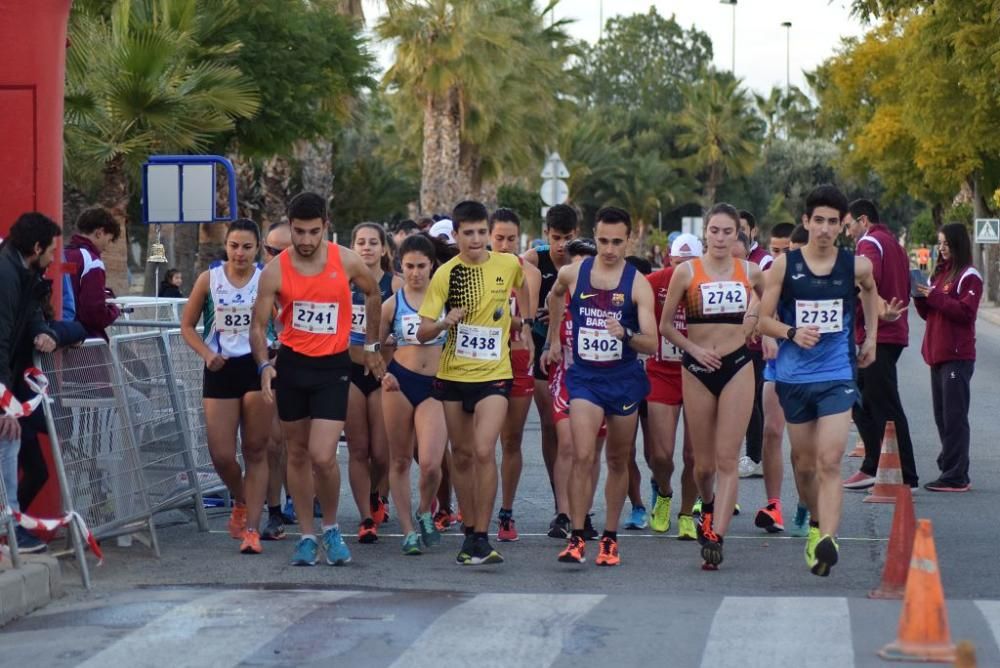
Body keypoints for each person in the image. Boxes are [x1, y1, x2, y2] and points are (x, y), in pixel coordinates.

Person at [251, 192, 385, 567]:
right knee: (296, 453)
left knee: (323, 456)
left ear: (326, 226)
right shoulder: (276, 270)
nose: (306, 240)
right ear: (289, 228)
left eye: (313, 232)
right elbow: (258, 326)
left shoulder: (345, 260)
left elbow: (373, 293)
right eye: (299, 232)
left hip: (332, 367)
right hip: (292, 366)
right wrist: (264, 365)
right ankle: (307, 536)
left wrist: (372, 345)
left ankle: (330, 527)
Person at [758, 185, 880, 577]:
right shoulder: (784, 266)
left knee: (830, 460)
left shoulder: (855, 265)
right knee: (804, 464)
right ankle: (814, 525)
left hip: (837, 375)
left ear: (843, 226)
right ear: (807, 222)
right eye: (819, 221)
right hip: (794, 378)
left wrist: (872, 337)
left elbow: (871, 292)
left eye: (833, 222)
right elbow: (762, 320)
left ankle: (828, 537)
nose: (825, 229)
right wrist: (791, 333)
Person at [416, 200, 530, 566]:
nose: (477, 239)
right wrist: (444, 322)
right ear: (458, 235)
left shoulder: (508, 263)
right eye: (470, 233)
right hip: (452, 375)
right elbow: (421, 332)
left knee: (484, 450)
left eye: (483, 232)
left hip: (494, 374)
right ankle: (469, 533)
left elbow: (525, 284)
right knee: (462, 457)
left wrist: (522, 322)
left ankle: (482, 534)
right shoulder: (446, 274)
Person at [547, 207, 657, 567]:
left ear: (629, 241)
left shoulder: (637, 283)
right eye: (603, 241)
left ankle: (609, 539)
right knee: (582, 455)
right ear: (594, 237)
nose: (609, 249)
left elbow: (651, 342)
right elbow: (555, 296)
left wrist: (625, 333)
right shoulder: (574, 272)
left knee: (617, 459)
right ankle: (577, 537)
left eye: (617, 242)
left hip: (623, 381)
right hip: (586, 379)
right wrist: (553, 341)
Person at [659, 203, 765, 570]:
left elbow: (773, 303)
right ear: (705, 233)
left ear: (740, 236)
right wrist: (693, 350)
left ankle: (717, 536)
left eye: (728, 232)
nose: (720, 238)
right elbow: (666, 326)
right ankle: (707, 506)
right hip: (697, 368)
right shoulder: (687, 272)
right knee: (702, 466)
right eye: (715, 231)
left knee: (726, 460)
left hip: (737, 366)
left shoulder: (751, 272)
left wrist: (761, 322)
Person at [180, 219, 273, 554]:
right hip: (220, 367)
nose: (240, 253)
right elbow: (187, 326)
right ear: (227, 246)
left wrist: (272, 359)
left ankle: (252, 528)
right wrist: (206, 354)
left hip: (256, 366)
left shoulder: (266, 280)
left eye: (247, 246)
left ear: (258, 249)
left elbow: (284, 318)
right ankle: (242, 498)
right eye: (234, 245)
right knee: (220, 454)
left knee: (255, 449)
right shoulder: (210, 278)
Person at [842, 199, 917, 490]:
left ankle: (905, 475)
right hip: (889, 332)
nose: (847, 233)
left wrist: (882, 308)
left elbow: (865, 281)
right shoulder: (894, 244)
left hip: (880, 334)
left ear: (863, 221)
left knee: (884, 404)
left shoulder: (869, 243)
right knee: (860, 398)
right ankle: (872, 463)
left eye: (848, 226)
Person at [380, 234, 448, 554]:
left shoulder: (445, 299)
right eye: (409, 266)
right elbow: (375, 347)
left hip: (435, 384)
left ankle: (424, 510)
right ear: (400, 265)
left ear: (432, 265)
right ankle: (407, 529)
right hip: (400, 382)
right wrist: (384, 374)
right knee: (401, 459)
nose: (416, 272)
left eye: (422, 266)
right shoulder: (392, 304)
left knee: (432, 463)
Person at [0, 213, 61, 553]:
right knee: (8, 447)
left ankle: (11, 528)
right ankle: (10, 531)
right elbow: (0, 341)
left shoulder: (22, 272)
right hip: (3, 385)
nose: (54, 257)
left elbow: (33, 314)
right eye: (51, 250)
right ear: (37, 247)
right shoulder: (6, 274)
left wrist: (43, 331)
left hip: (7, 381)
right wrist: (4, 403)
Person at [522, 204, 578, 529]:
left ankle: (574, 503)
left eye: (567, 238)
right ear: (546, 235)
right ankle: (561, 504)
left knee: (575, 432)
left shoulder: (582, 261)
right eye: (556, 238)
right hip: (544, 349)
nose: (561, 246)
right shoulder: (533, 259)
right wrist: (534, 316)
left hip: (573, 350)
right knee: (549, 424)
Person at [914, 223, 981, 492]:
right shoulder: (939, 274)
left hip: (957, 355)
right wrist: (921, 298)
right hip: (937, 353)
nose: (941, 249)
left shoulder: (969, 275)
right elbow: (931, 314)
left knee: (955, 416)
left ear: (957, 244)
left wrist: (937, 297)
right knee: (942, 416)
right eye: (939, 243)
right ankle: (951, 466)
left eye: (945, 244)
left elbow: (966, 312)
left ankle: (956, 475)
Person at [346, 223, 401, 543]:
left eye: (372, 243)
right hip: (351, 372)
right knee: (358, 448)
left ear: (384, 249)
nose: (366, 247)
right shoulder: (342, 283)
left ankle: (378, 494)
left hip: (385, 374)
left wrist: (384, 362)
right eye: (360, 242)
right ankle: (366, 516)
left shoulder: (395, 284)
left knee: (381, 453)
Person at [644, 233, 701, 540]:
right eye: (679, 264)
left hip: (698, 374)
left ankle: (686, 513)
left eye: (691, 265)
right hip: (662, 373)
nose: (684, 271)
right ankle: (664, 493)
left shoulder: (707, 284)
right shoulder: (655, 282)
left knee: (694, 455)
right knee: (661, 455)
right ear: (669, 260)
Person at [544, 238, 601, 540]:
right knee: (567, 444)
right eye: (574, 262)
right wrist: (552, 341)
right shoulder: (560, 293)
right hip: (568, 377)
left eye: (585, 262)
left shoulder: (609, 294)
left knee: (591, 452)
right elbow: (552, 305)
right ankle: (564, 514)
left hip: (604, 380)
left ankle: (585, 513)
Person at [489, 209, 541, 541]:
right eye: (499, 238)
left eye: (511, 238)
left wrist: (528, 333)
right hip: (480, 360)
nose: (506, 244)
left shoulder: (529, 273)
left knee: (511, 440)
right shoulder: (472, 269)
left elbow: (527, 319)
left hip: (517, 358)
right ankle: (473, 503)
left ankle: (506, 511)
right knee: (478, 444)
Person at [753, 222, 795, 534]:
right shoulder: (770, 279)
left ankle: (809, 504)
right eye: (776, 250)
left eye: (787, 251)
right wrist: (764, 333)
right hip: (778, 366)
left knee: (807, 448)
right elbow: (756, 313)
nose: (779, 256)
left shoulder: (817, 279)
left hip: (814, 370)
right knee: (771, 432)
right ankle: (774, 505)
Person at [260, 221, 292, 540]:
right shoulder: (257, 282)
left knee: (302, 445)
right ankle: (274, 512)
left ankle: (301, 498)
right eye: (272, 251)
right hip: (269, 367)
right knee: (272, 442)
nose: (278, 257)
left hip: (304, 367)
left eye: (287, 251)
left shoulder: (313, 281)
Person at [64, 207, 122, 340]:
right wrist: (114, 310)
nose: (106, 247)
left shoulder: (63, 255)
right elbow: (95, 313)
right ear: (99, 233)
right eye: (108, 240)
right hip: (86, 340)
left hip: (63, 335)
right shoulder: (92, 262)